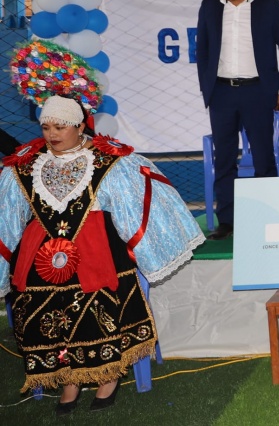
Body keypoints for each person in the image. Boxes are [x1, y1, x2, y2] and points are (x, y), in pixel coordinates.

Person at [0, 96, 204, 414]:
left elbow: (130, 207)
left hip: (96, 247)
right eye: (46, 127)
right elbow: (9, 218)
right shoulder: (25, 164)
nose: (52, 134)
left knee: (97, 296)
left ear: (80, 126)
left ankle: (108, 373)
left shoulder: (108, 160)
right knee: (34, 297)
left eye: (60, 127)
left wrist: (148, 253)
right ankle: (69, 377)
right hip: (42, 251)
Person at [196, 0, 279, 240]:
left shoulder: (268, 4)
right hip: (221, 93)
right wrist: (207, 87)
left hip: (258, 91)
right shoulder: (209, 6)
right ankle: (227, 221)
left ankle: (267, 218)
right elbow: (202, 50)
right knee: (224, 158)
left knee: (264, 156)